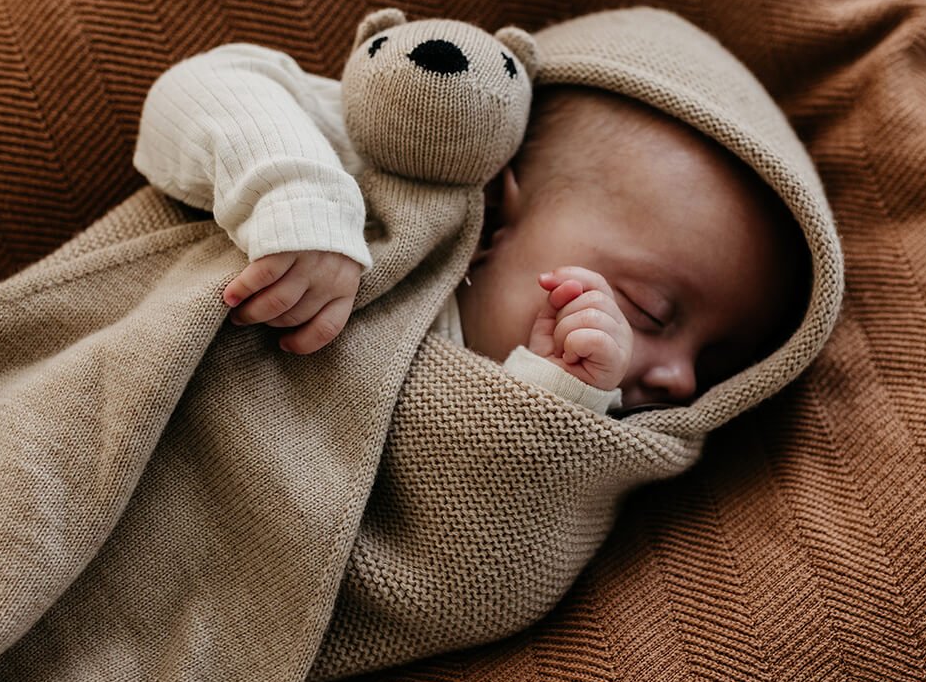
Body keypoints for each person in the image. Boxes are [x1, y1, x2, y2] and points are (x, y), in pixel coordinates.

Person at [134, 36, 806, 415]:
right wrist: (300, 203)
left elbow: (474, 533)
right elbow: (204, 88)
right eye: (652, 311)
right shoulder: (383, 194)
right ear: (496, 211)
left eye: (719, 363)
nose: (682, 383)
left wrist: (558, 397)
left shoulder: (597, 428)